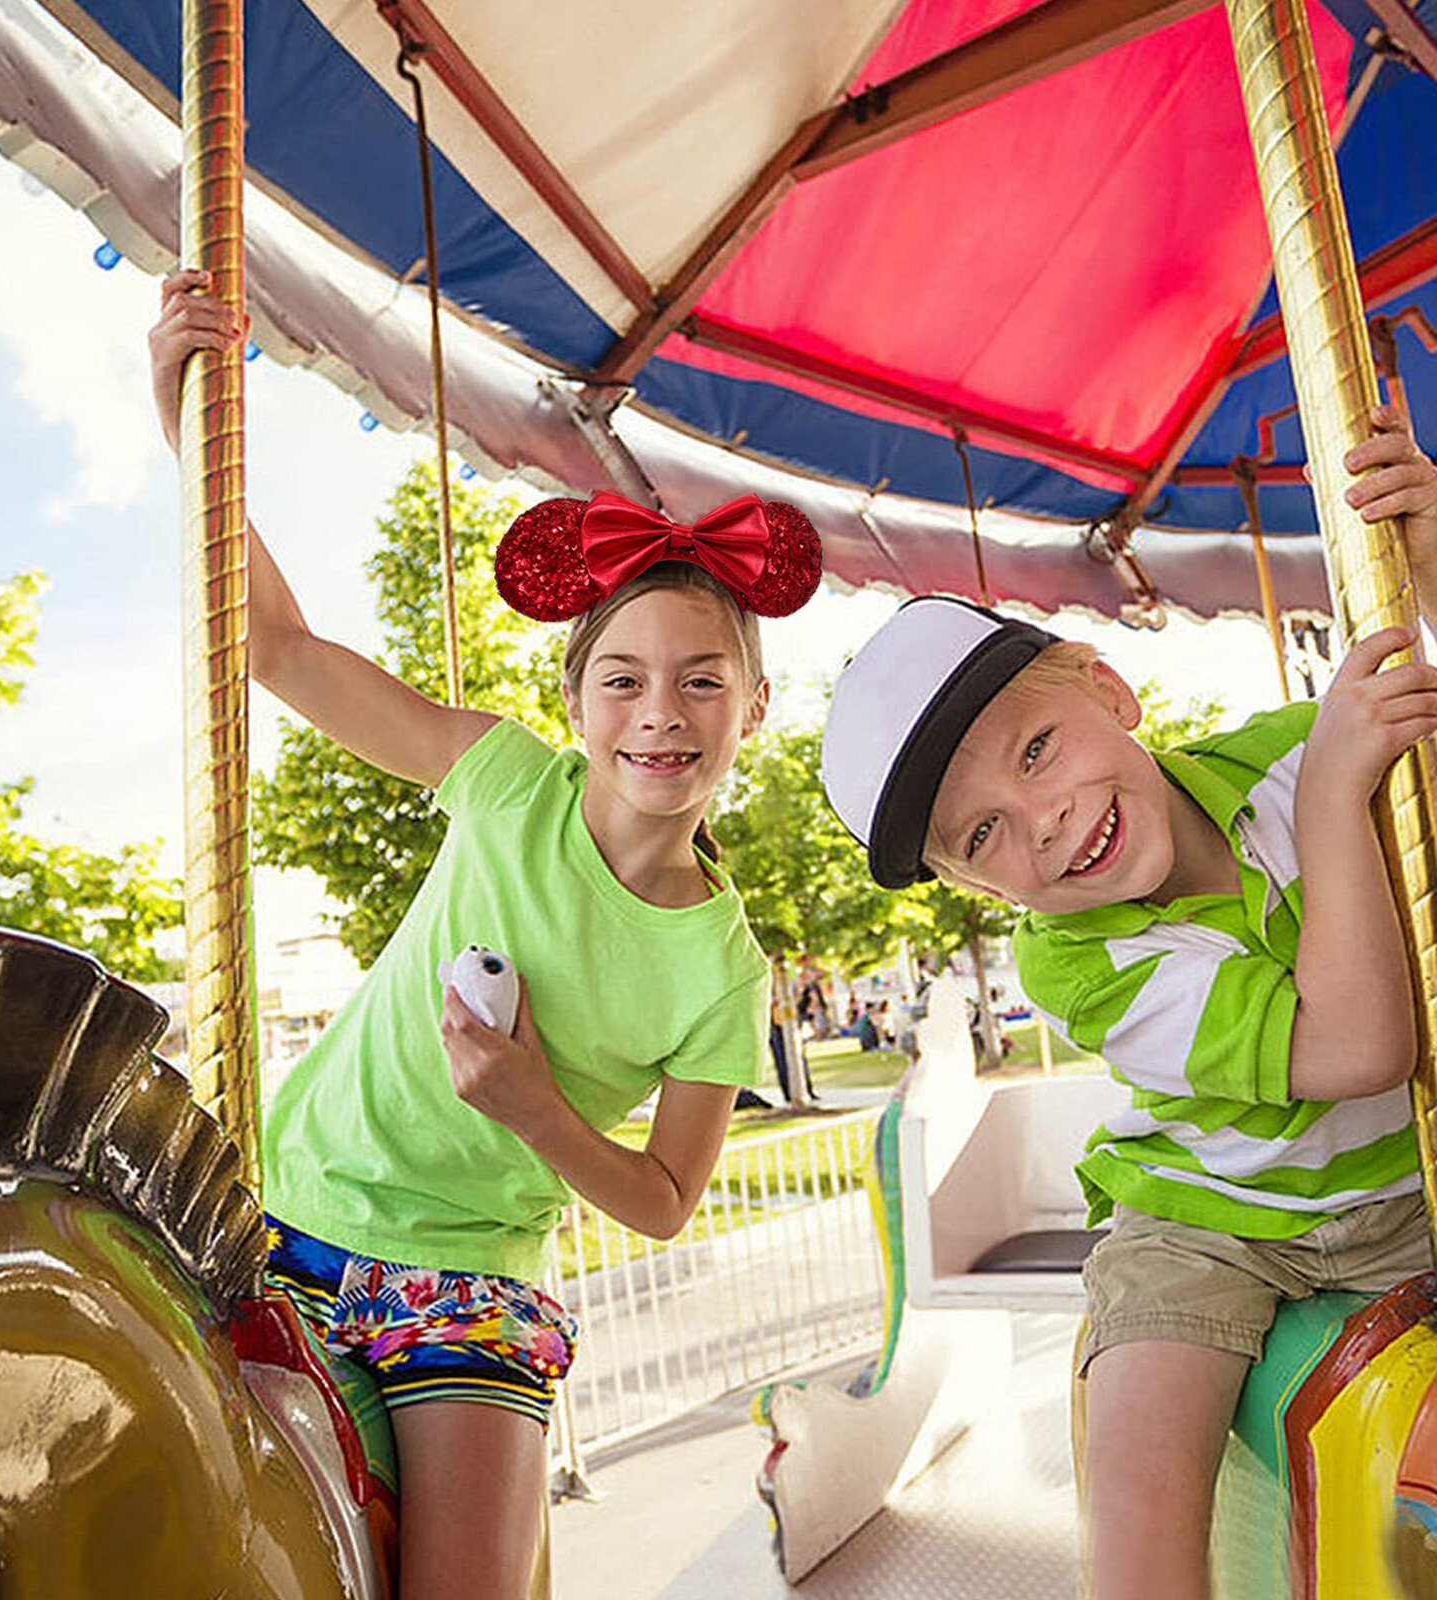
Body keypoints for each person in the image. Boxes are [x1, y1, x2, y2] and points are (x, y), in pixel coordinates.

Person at [149, 271, 822, 1600]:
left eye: (702, 683)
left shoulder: (721, 965)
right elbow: (276, 651)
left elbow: (669, 1201)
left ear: (755, 704)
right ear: (576, 700)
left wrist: (533, 1109)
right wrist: (185, 419)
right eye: (623, 680)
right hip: (282, 1211)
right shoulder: (507, 780)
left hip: (461, 1280)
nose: (660, 715)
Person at [820, 408, 1437, 1600]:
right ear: (970, 882)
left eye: (1036, 748)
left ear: (1114, 691)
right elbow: (1357, 1045)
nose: (1037, 819)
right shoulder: (1078, 960)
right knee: (1141, 1453)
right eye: (982, 833)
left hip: (1395, 1193)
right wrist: (1331, 802)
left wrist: (1423, 551)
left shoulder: (1281, 758)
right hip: (1211, 1227)